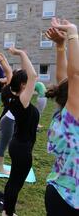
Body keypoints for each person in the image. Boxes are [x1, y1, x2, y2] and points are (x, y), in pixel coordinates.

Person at [44, 18, 79, 216]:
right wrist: (73, 34)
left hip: (58, 193)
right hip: (69, 202)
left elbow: (64, 79)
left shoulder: (66, 116)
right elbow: (74, 77)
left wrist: (60, 47)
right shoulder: (74, 119)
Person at [1, 47, 39, 216]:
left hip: (18, 145)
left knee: (13, 181)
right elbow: (33, 76)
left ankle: (7, 211)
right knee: (16, 183)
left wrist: (19, 56)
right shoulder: (21, 101)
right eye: (29, 83)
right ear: (23, 85)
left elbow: (26, 75)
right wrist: (21, 53)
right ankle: (8, 213)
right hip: (22, 148)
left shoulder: (11, 94)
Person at [0, 52, 14, 175]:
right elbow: (9, 72)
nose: (3, 77)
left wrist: (2, 60)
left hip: (7, 119)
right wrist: (1, 60)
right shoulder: (10, 90)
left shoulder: (8, 89)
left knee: (3, 142)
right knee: (4, 143)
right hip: (8, 120)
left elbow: (7, 72)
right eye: (3, 78)